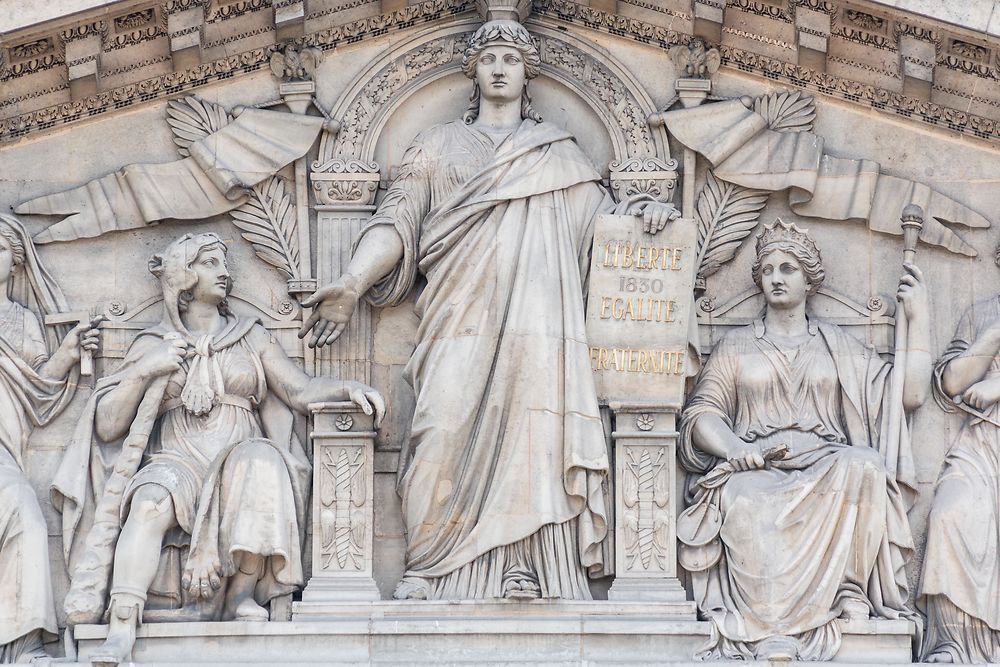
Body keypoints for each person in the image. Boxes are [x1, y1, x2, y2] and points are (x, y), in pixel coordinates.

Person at [298, 19, 678, 601]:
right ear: (472, 72)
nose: (499, 68)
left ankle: (529, 566)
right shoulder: (438, 145)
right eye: (489, 58)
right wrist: (351, 282)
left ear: (529, 72)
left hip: (539, 329)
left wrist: (647, 212)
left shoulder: (557, 152)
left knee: (536, 434)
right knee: (438, 426)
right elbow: (397, 222)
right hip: (457, 318)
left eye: (512, 59)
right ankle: (428, 566)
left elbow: (602, 231)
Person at [52, 233, 384, 664]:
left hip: (237, 455)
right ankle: (122, 623)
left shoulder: (251, 337)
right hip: (175, 458)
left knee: (263, 460)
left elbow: (300, 391)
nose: (224, 272)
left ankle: (240, 595)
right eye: (210, 263)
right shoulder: (151, 344)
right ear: (183, 277)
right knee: (150, 501)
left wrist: (347, 386)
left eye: (223, 263)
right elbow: (109, 425)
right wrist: (143, 372)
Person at [676, 219, 929, 661]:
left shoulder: (839, 347)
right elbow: (701, 415)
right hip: (757, 468)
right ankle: (768, 622)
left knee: (865, 465)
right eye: (769, 269)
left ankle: (849, 590)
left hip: (825, 467)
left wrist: (919, 317)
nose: (776, 277)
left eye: (788, 268)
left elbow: (909, 395)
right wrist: (740, 450)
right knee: (743, 497)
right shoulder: (737, 347)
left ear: (809, 279)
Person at [0, 214, 99, 663]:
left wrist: (69, 352)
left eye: (0, 249)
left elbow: (38, 389)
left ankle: (23, 647)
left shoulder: (22, 322)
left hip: (3, 453)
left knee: (27, 516)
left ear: (15, 262)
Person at [919, 280, 1000, 663]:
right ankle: (957, 644)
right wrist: (997, 329)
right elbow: (953, 382)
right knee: (949, 515)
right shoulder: (980, 313)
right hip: (981, 446)